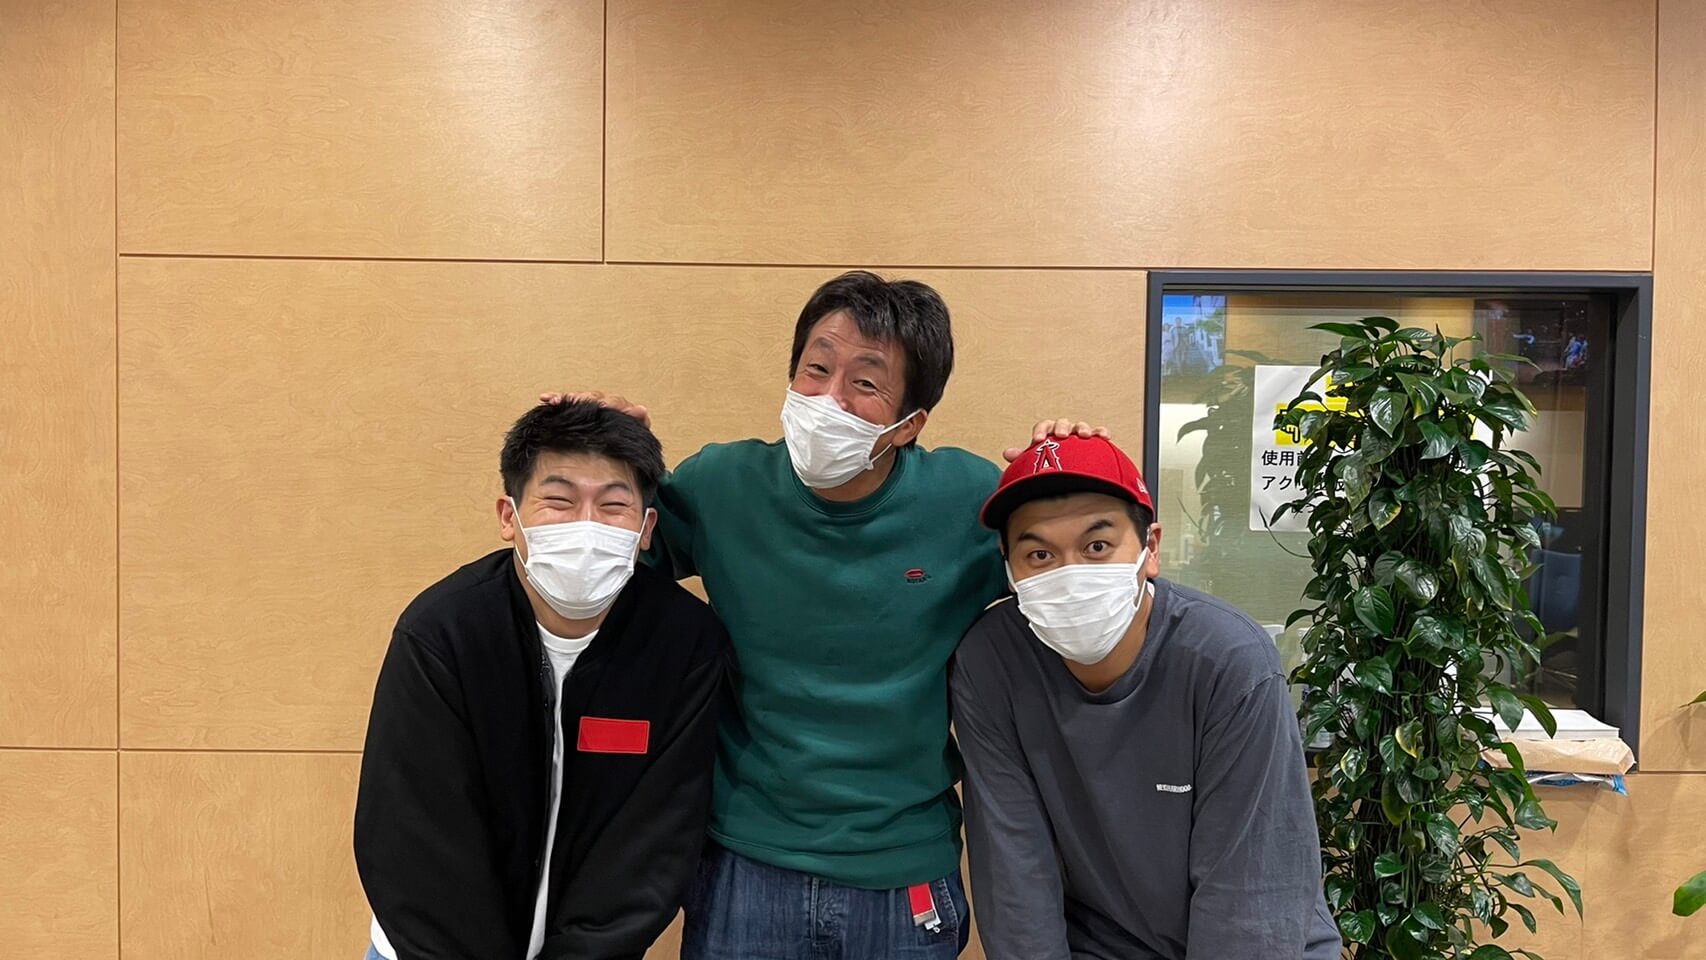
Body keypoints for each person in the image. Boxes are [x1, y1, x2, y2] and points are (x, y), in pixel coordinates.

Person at [546, 271, 1106, 959]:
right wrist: (603, 460)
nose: (828, 397)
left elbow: (1072, 585)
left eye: (864, 382)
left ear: (910, 424)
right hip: (743, 861)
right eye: (816, 369)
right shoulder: (722, 485)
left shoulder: (970, 501)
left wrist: (1072, 476)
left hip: (903, 869)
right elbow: (598, 578)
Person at [354, 400, 729, 960]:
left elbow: (654, 845)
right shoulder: (443, 633)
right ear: (509, 517)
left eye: (613, 505)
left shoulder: (684, 644)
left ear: (647, 528)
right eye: (558, 500)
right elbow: (411, 838)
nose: (586, 526)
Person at [951, 433, 1341, 960]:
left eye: (1096, 547)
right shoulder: (992, 662)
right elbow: (1014, 866)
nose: (1070, 575)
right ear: (1009, 568)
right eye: (1039, 554)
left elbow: (1251, 893)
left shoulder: (1227, 660)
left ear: (1150, 548)